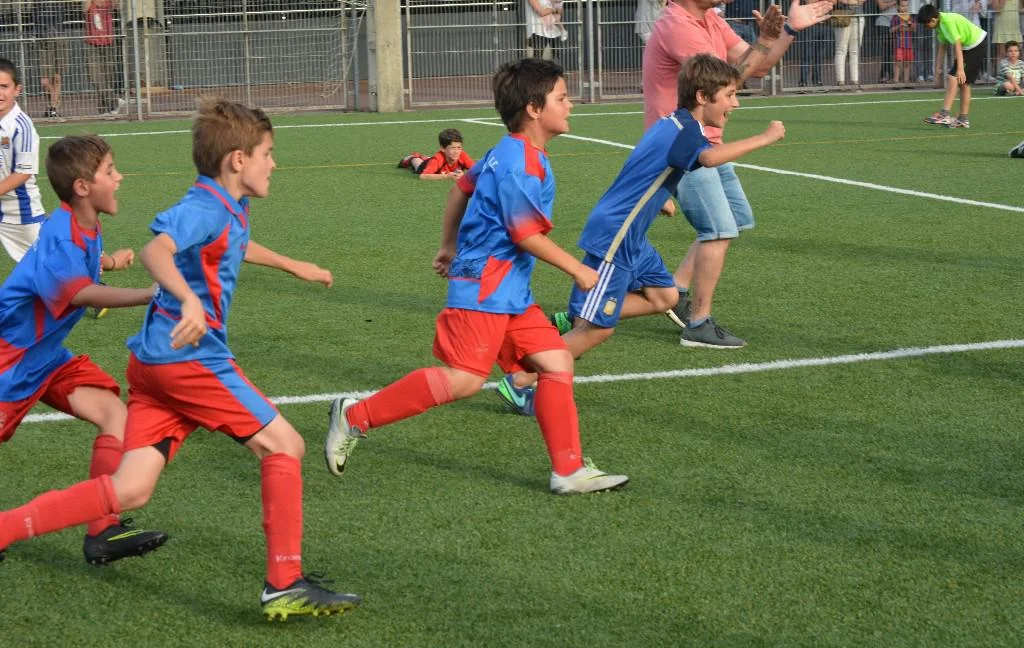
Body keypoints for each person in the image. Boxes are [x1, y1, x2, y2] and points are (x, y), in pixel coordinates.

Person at [0, 98, 361, 621]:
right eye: (267, 153)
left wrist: (292, 265)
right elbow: (156, 252)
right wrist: (187, 300)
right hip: (187, 359)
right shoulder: (206, 207)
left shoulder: (222, 204)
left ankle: (6, 528)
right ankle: (284, 582)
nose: (273, 163)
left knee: (131, 488)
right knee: (285, 444)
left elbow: (232, 244)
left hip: (153, 364)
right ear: (238, 159)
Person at [324, 59, 628, 496]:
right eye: (562, 97)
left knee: (557, 361)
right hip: (487, 285)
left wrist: (448, 245)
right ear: (534, 109)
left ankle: (569, 470)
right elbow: (524, 234)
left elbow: (460, 189)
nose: (570, 105)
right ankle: (354, 415)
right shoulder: (521, 163)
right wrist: (577, 269)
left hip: (508, 290)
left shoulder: (506, 150)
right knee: (465, 379)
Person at [496, 55, 785, 414]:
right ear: (702, 96)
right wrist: (765, 138)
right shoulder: (687, 132)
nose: (735, 104)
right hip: (617, 235)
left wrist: (660, 197)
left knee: (665, 297)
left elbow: (647, 163)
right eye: (729, 95)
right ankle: (521, 379)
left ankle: (577, 315)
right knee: (599, 330)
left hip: (632, 236)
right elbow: (709, 160)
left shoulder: (673, 123)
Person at [0, 135, 167, 566]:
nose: (119, 177)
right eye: (110, 171)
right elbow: (79, 293)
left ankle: (103, 531)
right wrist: (148, 294)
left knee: (114, 414)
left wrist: (109, 262)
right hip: (10, 362)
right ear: (82, 187)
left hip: (45, 358)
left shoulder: (83, 224)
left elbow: (78, 267)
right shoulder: (62, 234)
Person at [642, 0, 833, 348]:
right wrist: (767, 40)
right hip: (685, 146)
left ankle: (676, 290)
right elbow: (721, 85)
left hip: (707, 142)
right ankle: (698, 324)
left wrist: (787, 31)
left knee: (735, 219)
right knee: (717, 229)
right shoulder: (677, 25)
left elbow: (759, 66)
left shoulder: (712, 20)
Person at [0, 59, 46, 262]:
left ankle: (102, 266)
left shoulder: (21, 126)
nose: (0, 93)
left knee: (50, 266)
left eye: (4, 86)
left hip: (21, 213)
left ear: (17, 90)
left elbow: (23, 172)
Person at [921, 3, 988, 128]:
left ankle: (944, 114)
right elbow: (942, 47)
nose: (926, 27)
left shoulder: (947, 22)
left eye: (926, 24)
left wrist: (961, 69)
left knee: (953, 77)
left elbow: (957, 44)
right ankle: (963, 119)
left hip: (976, 45)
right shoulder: (939, 25)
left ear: (933, 19)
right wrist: (937, 70)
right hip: (969, 47)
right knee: (964, 83)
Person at [84, 0, 124, 116]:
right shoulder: (90, 3)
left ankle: (106, 109)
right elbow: (84, 8)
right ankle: (114, 101)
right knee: (94, 76)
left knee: (108, 76)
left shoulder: (108, 2)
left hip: (108, 41)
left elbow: (119, 7)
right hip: (92, 42)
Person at [32, 0, 68, 118]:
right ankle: (53, 102)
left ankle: (53, 108)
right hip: (42, 38)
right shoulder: (38, 4)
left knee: (57, 78)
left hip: (59, 36)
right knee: (45, 81)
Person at [397, 128, 474, 180]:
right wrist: (447, 176)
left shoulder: (462, 155)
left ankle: (424, 158)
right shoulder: (438, 158)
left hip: (432, 162)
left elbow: (477, 171)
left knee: (429, 160)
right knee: (418, 164)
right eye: (452, 148)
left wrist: (464, 176)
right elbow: (423, 176)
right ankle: (413, 157)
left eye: (459, 147)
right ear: (443, 148)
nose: (456, 151)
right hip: (425, 166)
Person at [833, 0, 866, 87]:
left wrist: (851, 2)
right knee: (841, 49)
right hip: (842, 15)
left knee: (855, 50)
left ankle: (855, 80)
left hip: (858, 16)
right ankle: (840, 81)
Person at [891, 0, 917, 83]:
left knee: (907, 63)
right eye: (902, 6)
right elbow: (891, 30)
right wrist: (899, 26)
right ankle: (896, 81)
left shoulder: (910, 17)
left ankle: (906, 81)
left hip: (908, 44)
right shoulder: (895, 17)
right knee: (898, 63)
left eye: (906, 6)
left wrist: (912, 26)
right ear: (898, 7)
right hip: (898, 44)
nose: (905, 8)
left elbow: (914, 29)